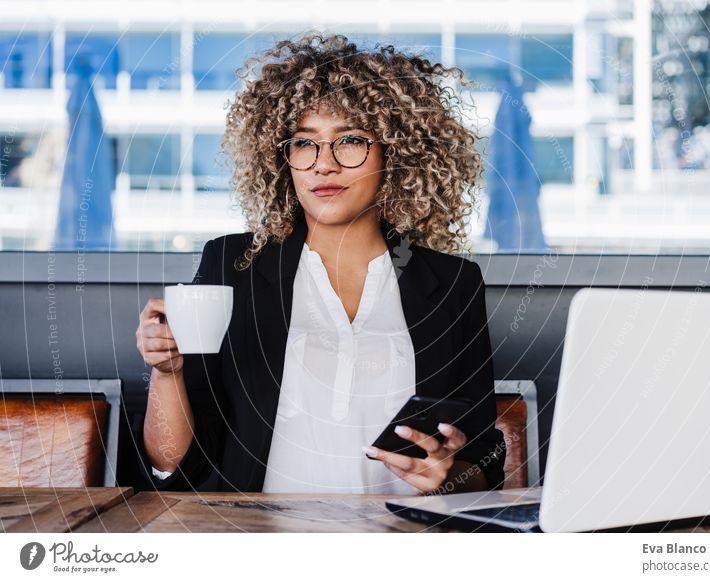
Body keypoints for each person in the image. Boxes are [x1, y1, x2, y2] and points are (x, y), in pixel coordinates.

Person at [134, 32, 506, 494]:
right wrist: (166, 372)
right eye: (304, 144)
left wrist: (450, 476)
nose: (323, 164)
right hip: (259, 544)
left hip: (400, 546)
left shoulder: (452, 283)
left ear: (395, 152)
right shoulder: (233, 266)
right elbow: (172, 464)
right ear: (283, 158)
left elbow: (484, 454)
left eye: (349, 141)